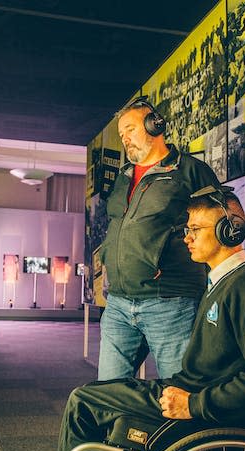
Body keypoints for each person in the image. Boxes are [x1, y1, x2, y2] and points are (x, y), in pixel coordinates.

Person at [54, 186, 245, 451]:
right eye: (187, 229)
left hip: (198, 409)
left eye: (196, 229)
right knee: (92, 399)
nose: (187, 237)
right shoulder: (224, 283)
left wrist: (194, 405)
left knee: (83, 404)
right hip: (188, 392)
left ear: (230, 230)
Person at [98, 97, 221, 380]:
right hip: (118, 302)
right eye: (121, 134)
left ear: (155, 126)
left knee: (178, 389)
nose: (124, 138)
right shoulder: (123, 177)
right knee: (107, 392)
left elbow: (219, 227)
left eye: (130, 129)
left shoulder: (190, 171)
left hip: (170, 302)